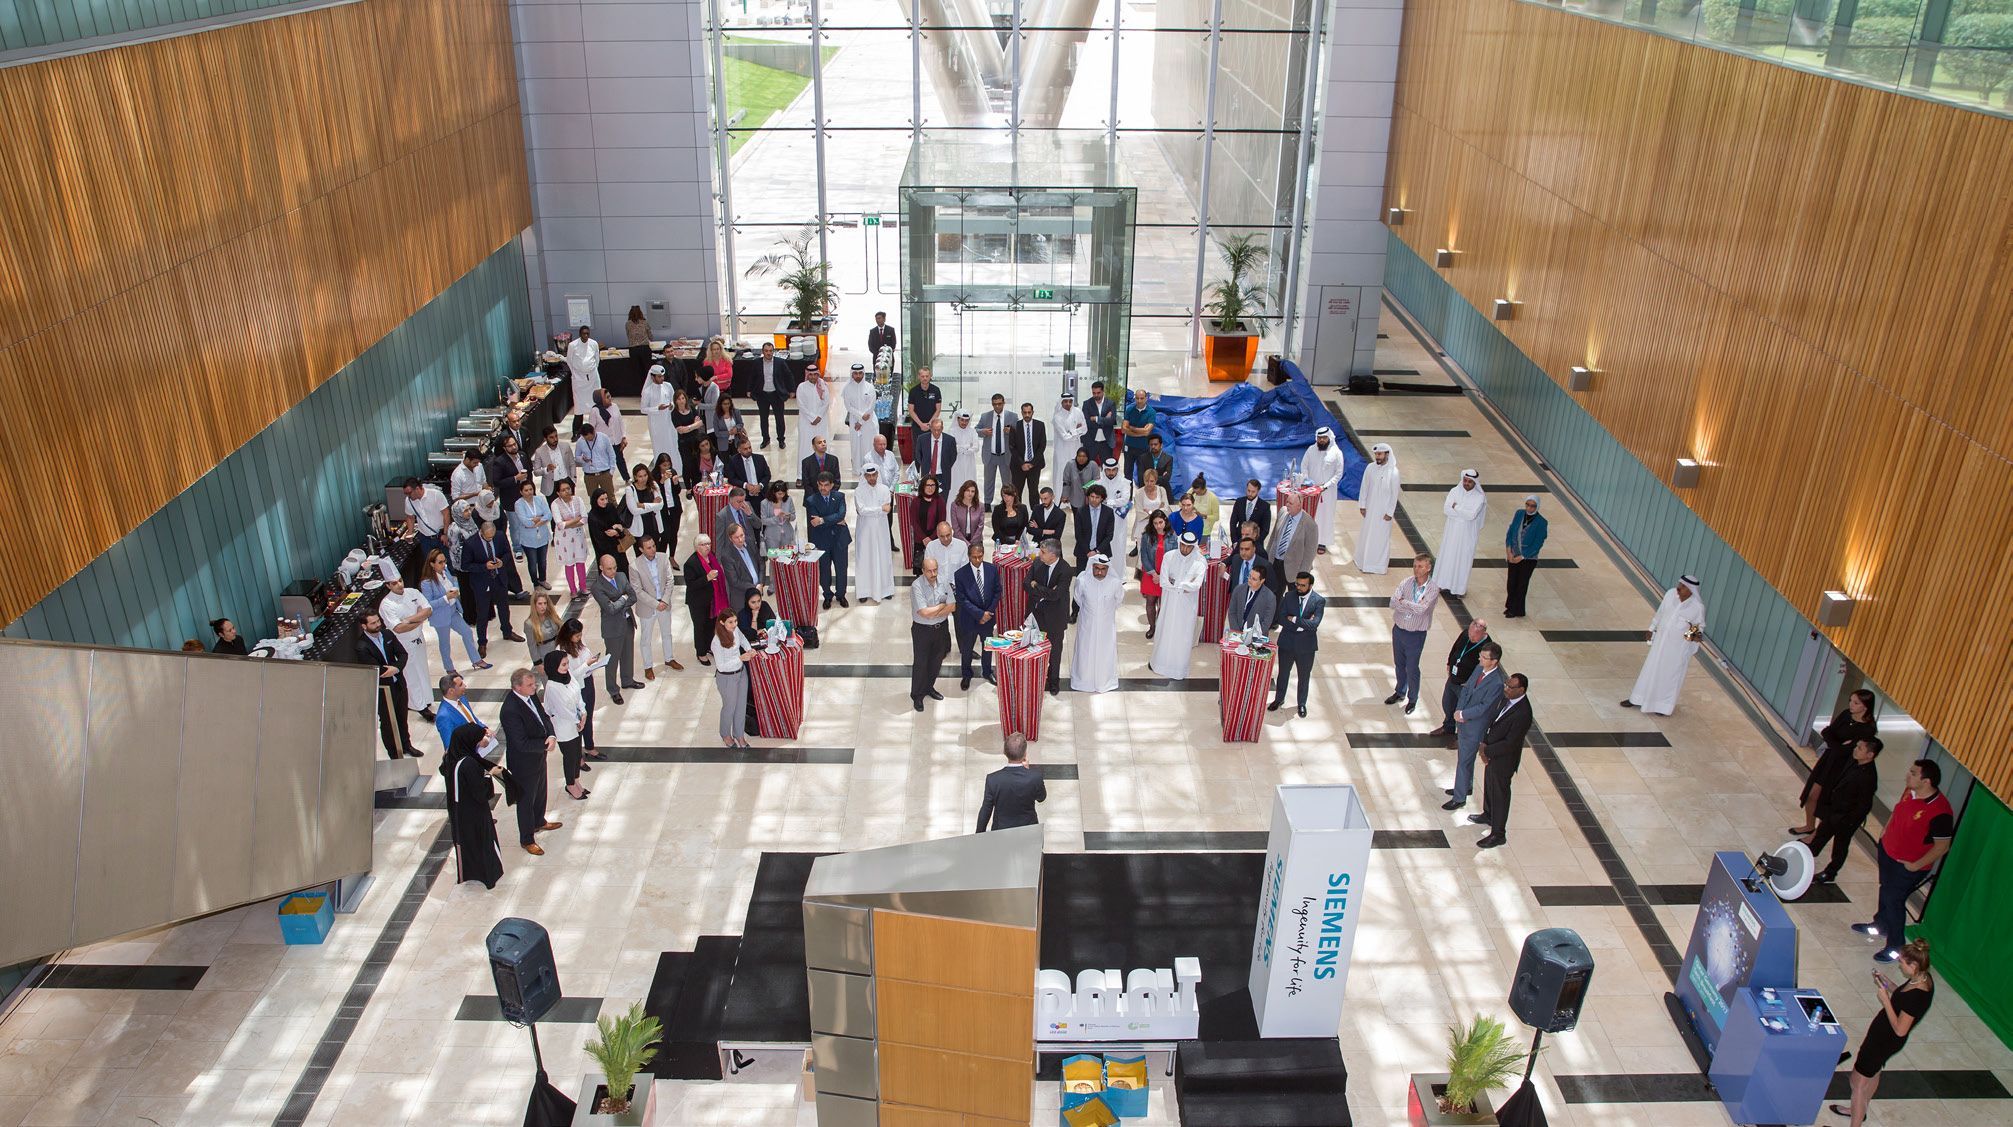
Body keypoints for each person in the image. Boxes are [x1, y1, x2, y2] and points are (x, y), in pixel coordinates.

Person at [1855, 759, 1954, 963]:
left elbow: (1942, 846)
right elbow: (1898, 811)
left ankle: (1896, 946)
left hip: (1908, 866)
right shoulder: (1910, 791)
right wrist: (1885, 833)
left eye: (1913, 773)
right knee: (1885, 889)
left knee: (1894, 899)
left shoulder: (1940, 811)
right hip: (1888, 853)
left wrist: (1915, 865)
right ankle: (1880, 924)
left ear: (1926, 781)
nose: (1907, 775)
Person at [1835, 939, 1935, 1126]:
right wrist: (1888, 984)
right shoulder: (1922, 978)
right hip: (1882, 1038)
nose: (1900, 965)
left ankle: (1856, 1119)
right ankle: (1859, 1109)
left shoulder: (1917, 995)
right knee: (1874, 1073)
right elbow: (1902, 999)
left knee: (1857, 1082)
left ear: (1913, 965)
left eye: (1902, 963)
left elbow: (1900, 1029)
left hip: (1883, 1041)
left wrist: (1885, 1000)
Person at [1794, 690, 1881, 836]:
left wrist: (1836, 744)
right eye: (1851, 700)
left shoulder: (1868, 729)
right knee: (1812, 795)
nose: (1851, 705)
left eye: (1856, 703)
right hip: (1829, 760)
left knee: (1828, 801)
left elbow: (1847, 751)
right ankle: (1809, 825)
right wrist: (1839, 744)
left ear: (1865, 706)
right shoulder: (1847, 714)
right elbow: (1827, 731)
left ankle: (1817, 835)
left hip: (1843, 767)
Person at [1801, 737, 1882, 884]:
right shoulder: (1853, 762)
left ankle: (1830, 872)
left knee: (1840, 846)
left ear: (1870, 755)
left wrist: (1848, 821)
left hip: (1846, 818)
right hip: (1834, 811)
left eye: (1860, 748)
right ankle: (1804, 858)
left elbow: (1864, 805)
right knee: (1820, 835)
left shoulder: (1868, 777)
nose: (1855, 749)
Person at [1622, 575, 1706, 715]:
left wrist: (1693, 635)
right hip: (1660, 643)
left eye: (1683, 587)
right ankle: (1637, 699)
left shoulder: (1697, 607)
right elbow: (1660, 613)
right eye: (1679, 584)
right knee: (1650, 670)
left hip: (1677, 649)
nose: (1679, 588)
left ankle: (1662, 707)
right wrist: (1651, 628)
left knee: (1668, 676)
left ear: (1691, 590)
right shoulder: (1670, 594)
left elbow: (1699, 627)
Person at [500, 667, 561, 855]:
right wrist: (544, 744)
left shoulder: (531, 695)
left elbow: (543, 716)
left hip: (538, 756)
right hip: (523, 763)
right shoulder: (510, 710)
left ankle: (539, 821)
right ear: (517, 687)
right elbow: (520, 743)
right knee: (526, 800)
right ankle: (527, 839)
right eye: (529, 685)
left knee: (541, 790)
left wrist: (550, 733)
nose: (534, 687)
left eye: (534, 683)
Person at [1471, 672, 1532, 847]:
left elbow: (1510, 743)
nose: (1506, 689)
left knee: (1500, 795)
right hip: (1492, 753)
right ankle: (1488, 814)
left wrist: (1486, 750)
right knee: (1489, 784)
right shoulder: (1507, 699)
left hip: (1503, 760)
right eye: (1506, 685)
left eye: (1510, 687)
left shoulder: (1523, 713)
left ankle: (1498, 834)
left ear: (1521, 690)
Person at [441, 723, 505, 889]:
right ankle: (488, 875)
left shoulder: (451, 755)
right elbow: (481, 792)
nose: (480, 742)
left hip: (458, 809)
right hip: (473, 810)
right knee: (482, 842)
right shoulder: (469, 764)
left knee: (467, 843)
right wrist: (489, 775)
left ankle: (470, 872)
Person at [1444, 643, 1505, 810]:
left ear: (1494, 661)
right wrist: (1459, 710)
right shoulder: (1479, 669)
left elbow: (1485, 707)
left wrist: (1464, 715)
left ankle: (1459, 797)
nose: (1480, 659)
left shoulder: (1497, 683)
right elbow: (1466, 690)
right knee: (1465, 758)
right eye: (1481, 655)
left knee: (1464, 761)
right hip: (1464, 720)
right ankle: (1466, 786)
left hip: (1475, 726)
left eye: (1484, 657)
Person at [355, 611, 415, 759]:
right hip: (383, 690)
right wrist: (393, 669)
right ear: (364, 626)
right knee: (388, 723)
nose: (377, 625)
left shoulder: (387, 635)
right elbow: (376, 670)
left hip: (398, 684)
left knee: (402, 716)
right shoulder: (362, 646)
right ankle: (394, 755)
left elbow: (402, 654)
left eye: (378, 621)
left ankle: (406, 745)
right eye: (373, 623)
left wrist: (396, 668)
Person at [377, 575, 437, 723]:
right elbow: (398, 628)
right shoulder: (386, 604)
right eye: (394, 583)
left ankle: (426, 699)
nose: (399, 584)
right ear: (388, 586)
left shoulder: (412, 592)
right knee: (411, 675)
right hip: (403, 643)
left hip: (418, 638)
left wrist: (410, 619)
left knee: (422, 669)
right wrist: (419, 617)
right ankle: (420, 706)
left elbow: (428, 610)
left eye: (400, 580)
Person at [1149, 533, 1208, 680]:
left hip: (1186, 608)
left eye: (1189, 546)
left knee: (1182, 637)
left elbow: (1195, 585)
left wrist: (1177, 583)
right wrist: (1183, 585)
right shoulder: (1169, 556)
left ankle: (1178, 669)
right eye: (1183, 545)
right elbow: (1163, 581)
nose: (1185, 549)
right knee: (1165, 631)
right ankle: (1158, 664)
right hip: (1169, 604)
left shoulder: (1200, 562)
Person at [1387, 554, 1441, 713]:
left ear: (1428, 568)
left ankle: (1413, 699)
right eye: (1415, 565)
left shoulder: (1432, 589)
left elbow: (1422, 610)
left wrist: (1403, 602)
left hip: (1415, 635)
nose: (1416, 569)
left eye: (1420, 566)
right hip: (1399, 630)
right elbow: (1392, 602)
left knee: (1412, 667)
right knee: (1399, 664)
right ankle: (1400, 691)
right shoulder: (1406, 582)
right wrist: (1408, 604)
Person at [1268, 572, 1326, 717]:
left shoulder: (1318, 601)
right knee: (1283, 674)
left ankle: (1301, 704)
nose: (1299, 587)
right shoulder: (1289, 596)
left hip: (1306, 647)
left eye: (1302, 585)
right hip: (1287, 643)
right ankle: (1279, 699)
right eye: (1297, 584)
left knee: (1304, 676)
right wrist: (1302, 624)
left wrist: (1294, 619)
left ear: (1310, 585)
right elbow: (1281, 618)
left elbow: (1314, 624)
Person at [1428, 619, 1493, 746]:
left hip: (1466, 685)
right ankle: (1448, 727)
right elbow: (1455, 648)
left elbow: (1483, 669)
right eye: (1470, 634)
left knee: (1462, 712)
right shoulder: (1466, 634)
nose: (1471, 638)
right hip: (1453, 677)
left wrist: (1471, 683)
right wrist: (1449, 662)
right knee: (1448, 703)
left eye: (1474, 636)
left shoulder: (1487, 648)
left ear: (1483, 634)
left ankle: (1461, 738)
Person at [422, 549, 488, 673]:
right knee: (445, 643)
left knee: (467, 632)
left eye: (444, 561)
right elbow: (428, 604)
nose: (443, 565)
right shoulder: (427, 583)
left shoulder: (445, 572)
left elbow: (453, 582)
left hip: (453, 611)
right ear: (432, 564)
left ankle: (476, 660)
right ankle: (449, 668)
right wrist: (446, 598)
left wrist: (455, 591)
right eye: (440, 562)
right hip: (440, 616)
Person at [590, 555, 642, 703]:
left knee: (628, 653)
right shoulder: (597, 587)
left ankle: (627, 680)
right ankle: (613, 689)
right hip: (612, 628)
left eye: (614, 567)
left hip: (627, 622)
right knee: (612, 660)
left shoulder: (621, 576)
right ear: (601, 568)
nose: (613, 571)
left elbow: (633, 596)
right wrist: (623, 599)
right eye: (609, 569)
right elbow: (610, 609)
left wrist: (620, 602)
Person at [540, 651, 591, 802]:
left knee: (577, 754)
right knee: (570, 757)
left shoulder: (569, 677)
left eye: (567, 663)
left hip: (577, 723)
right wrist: (578, 721)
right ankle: (570, 784)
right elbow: (562, 710)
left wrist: (583, 712)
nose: (566, 667)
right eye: (563, 664)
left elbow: (578, 695)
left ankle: (576, 780)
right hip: (564, 727)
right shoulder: (552, 686)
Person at [1070, 554, 1125, 693]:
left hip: (1106, 626)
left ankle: (1104, 681)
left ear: (1108, 569)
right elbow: (1078, 598)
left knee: (1105, 652)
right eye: (1097, 568)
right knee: (1085, 651)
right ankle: (1083, 681)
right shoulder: (1082, 581)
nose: (1100, 572)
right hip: (1087, 624)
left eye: (1103, 569)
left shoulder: (1115, 583)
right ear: (1092, 567)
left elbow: (1118, 600)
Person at [1025, 540, 1073, 695]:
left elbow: (1055, 595)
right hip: (1036, 614)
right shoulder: (1038, 562)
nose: (1039, 554)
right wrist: (1042, 589)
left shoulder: (1065, 570)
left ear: (1053, 555)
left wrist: (1036, 586)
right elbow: (1026, 584)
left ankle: (1053, 681)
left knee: (1054, 652)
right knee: (1034, 647)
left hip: (1055, 618)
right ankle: (1035, 679)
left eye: (1043, 552)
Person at [909, 556, 956, 711]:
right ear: (923, 571)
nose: (933, 573)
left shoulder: (943, 581)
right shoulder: (917, 586)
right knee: (921, 663)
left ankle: (929, 687)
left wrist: (935, 611)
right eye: (929, 571)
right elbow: (924, 613)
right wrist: (941, 607)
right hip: (922, 630)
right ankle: (917, 695)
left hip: (941, 628)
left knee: (936, 662)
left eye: (935, 570)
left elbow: (953, 607)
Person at [632, 534, 683, 678]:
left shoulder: (663, 557)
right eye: (649, 548)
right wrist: (656, 604)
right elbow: (638, 590)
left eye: (653, 546)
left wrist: (665, 601)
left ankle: (669, 658)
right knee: (646, 638)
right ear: (641, 549)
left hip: (664, 604)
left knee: (667, 633)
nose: (653, 549)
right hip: (648, 607)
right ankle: (648, 666)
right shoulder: (634, 565)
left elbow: (670, 580)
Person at [952, 541, 1001, 689]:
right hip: (969, 619)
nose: (978, 560)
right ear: (968, 557)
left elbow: (997, 591)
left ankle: (987, 671)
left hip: (988, 618)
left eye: (980, 556)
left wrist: (988, 613)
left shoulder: (992, 569)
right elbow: (962, 599)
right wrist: (980, 614)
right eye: (974, 557)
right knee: (967, 650)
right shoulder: (960, 574)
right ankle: (966, 674)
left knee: (987, 648)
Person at [1433, 471, 1488, 595]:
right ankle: (1441, 584)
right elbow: (1446, 509)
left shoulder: (1480, 497)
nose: (1466, 483)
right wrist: (1461, 512)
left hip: (1467, 535)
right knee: (1448, 556)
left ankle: (1458, 589)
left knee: (1463, 560)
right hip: (1451, 532)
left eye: (1470, 482)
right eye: (1465, 480)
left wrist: (1456, 507)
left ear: (1475, 483)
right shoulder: (1454, 491)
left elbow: (1471, 515)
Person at [977, 734, 1046, 831]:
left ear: (1004, 752)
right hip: (1028, 830)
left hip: (1001, 831)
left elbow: (986, 810)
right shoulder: (1035, 777)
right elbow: (1041, 798)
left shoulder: (993, 780)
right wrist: (1027, 770)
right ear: (1025, 753)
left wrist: (979, 835)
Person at [555, 620, 602, 762]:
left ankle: (589, 746)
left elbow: (586, 655)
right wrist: (586, 665)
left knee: (589, 716)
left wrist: (592, 662)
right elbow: (569, 675)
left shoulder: (579, 642)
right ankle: (578, 755)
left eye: (580, 635)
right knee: (580, 719)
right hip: (576, 687)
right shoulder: (561, 650)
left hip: (588, 682)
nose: (579, 638)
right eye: (577, 636)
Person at [1354, 442, 1401, 574]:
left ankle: (1377, 566)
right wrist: (1362, 505)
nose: (1377, 457)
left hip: (1383, 514)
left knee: (1380, 538)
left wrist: (1390, 512)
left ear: (1387, 454)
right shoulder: (1370, 468)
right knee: (1366, 534)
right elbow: (1364, 487)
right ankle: (1362, 561)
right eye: (1376, 454)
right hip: (1370, 509)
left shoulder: (1394, 473)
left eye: (1380, 454)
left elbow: (1394, 495)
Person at [806, 473, 851, 608]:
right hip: (821, 540)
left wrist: (822, 519)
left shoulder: (839, 496)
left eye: (826, 485)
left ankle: (841, 594)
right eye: (820, 485)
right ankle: (827, 595)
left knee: (842, 569)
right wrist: (835, 520)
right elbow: (814, 522)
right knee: (824, 570)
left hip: (839, 539)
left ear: (832, 485)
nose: (823, 488)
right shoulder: (811, 500)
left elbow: (841, 514)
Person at [1299, 427, 1347, 554]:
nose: (1321, 440)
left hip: (1327, 491)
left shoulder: (1337, 453)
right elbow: (1304, 466)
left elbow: (1338, 474)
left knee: (1325, 516)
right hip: (1311, 490)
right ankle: (1308, 540)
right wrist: (1307, 481)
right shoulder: (1311, 450)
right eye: (1319, 438)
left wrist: (1325, 486)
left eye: (1324, 438)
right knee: (1310, 515)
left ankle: (1322, 542)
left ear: (1329, 438)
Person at [853, 465, 896, 603]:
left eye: (874, 475)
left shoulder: (884, 490)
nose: (871, 478)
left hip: (881, 530)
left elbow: (887, 509)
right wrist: (879, 509)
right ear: (864, 476)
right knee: (865, 558)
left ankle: (886, 589)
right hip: (865, 531)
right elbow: (861, 510)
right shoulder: (858, 491)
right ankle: (864, 591)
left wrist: (874, 510)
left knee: (883, 557)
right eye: (868, 476)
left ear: (878, 474)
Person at [712, 613, 755, 748]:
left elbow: (742, 639)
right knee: (729, 707)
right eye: (730, 622)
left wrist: (749, 648)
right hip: (726, 678)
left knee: (741, 706)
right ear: (722, 623)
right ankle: (725, 734)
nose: (734, 624)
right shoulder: (716, 642)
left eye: (735, 621)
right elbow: (721, 666)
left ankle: (739, 735)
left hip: (741, 674)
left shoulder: (735, 630)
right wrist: (740, 659)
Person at [684, 535, 727, 665]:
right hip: (698, 602)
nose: (707, 546)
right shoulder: (691, 563)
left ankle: (709, 646)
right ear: (697, 547)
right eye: (703, 544)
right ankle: (701, 653)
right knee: (700, 627)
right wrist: (707, 578)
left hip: (712, 599)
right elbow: (691, 585)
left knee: (711, 624)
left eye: (708, 543)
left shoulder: (711, 556)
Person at [1502, 495, 1548, 617]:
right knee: (1511, 582)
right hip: (1513, 554)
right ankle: (1510, 606)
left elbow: (1538, 544)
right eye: (1527, 504)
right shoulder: (1519, 514)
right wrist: (1509, 551)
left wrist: (1522, 556)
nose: (1529, 508)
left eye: (1532, 506)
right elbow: (1510, 532)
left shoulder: (1542, 522)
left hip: (1528, 559)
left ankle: (1517, 610)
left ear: (1537, 507)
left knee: (1521, 584)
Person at [399, 477, 451, 582]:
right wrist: (410, 533)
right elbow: (410, 517)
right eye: (406, 494)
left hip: (440, 535)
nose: (408, 496)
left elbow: (446, 514)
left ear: (417, 488)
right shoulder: (409, 501)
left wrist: (445, 533)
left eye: (409, 493)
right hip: (425, 538)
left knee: (446, 563)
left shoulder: (435, 495)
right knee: (430, 566)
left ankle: (450, 584)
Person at [510, 479, 554, 590]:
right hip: (528, 539)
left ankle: (543, 580)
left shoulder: (539, 499)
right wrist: (540, 519)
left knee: (543, 562)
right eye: (526, 490)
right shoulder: (519, 504)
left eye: (531, 489)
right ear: (521, 492)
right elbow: (525, 522)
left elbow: (548, 515)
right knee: (532, 563)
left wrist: (536, 520)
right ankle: (535, 583)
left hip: (542, 536)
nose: (529, 492)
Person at [549, 479, 591, 595]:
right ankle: (573, 590)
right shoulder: (555, 504)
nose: (567, 492)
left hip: (578, 536)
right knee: (569, 564)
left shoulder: (578, 500)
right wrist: (576, 519)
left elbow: (585, 519)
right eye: (563, 490)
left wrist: (570, 523)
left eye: (568, 489)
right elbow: (560, 524)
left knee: (580, 561)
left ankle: (583, 586)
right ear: (558, 493)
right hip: (564, 539)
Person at [1270, 491, 1318, 589]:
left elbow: (1310, 554)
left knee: (1294, 600)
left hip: (1294, 570)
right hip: (1276, 564)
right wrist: (1268, 559)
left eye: (1290, 503)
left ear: (1299, 506)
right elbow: (1273, 538)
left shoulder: (1310, 525)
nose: (1287, 505)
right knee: (1275, 597)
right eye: (1287, 502)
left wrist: (1303, 575)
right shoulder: (1283, 512)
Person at [1138, 509, 1174, 639]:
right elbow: (1144, 556)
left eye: (1160, 522)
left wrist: (1162, 576)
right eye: (1155, 523)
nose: (1158, 526)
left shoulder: (1172, 536)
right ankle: (1152, 627)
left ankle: (1161, 626)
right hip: (1150, 575)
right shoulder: (1146, 536)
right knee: (1150, 602)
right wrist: (1154, 574)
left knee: (1163, 604)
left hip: (1165, 576)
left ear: (1165, 521)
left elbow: (1174, 557)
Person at [718, 523, 766, 619]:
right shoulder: (727, 555)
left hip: (757, 592)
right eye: (736, 537)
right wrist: (755, 587)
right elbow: (734, 581)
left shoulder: (750, 542)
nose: (740, 540)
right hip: (741, 599)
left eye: (742, 535)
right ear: (730, 539)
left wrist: (760, 583)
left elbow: (761, 563)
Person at [751, 341, 793, 449]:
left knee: (779, 418)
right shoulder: (757, 363)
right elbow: (752, 377)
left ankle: (781, 439)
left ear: (773, 351)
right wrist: (748, 389)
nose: (768, 353)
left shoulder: (780, 362)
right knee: (763, 419)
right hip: (762, 395)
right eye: (766, 351)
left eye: (770, 351)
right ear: (763, 352)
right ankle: (765, 439)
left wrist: (791, 390)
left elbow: (788, 376)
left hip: (776, 394)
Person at [977, 393, 1015, 505]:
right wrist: (983, 432)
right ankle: (987, 503)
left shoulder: (1012, 416)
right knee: (988, 481)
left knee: (1007, 483)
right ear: (992, 404)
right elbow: (976, 429)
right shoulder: (985, 416)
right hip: (990, 455)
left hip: (1006, 456)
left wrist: (1011, 431)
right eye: (995, 404)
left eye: (999, 404)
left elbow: (1019, 432)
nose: (997, 407)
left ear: (1004, 403)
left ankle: (1007, 503)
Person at [841, 363, 877, 475]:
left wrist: (861, 421)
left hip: (869, 421)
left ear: (863, 373)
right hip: (854, 421)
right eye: (855, 373)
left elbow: (871, 406)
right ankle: (857, 469)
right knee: (856, 446)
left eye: (860, 373)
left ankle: (871, 469)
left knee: (868, 445)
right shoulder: (847, 388)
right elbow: (848, 406)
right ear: (852, 374)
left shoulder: (869, 387)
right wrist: (860, 418)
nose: (858, 375)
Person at [564, 325, 602, 431]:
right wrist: (576, 374)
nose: (586, 336)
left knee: (596, 401)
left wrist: (591, 370)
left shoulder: (594, 344)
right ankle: (576, 431)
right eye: (583, 334)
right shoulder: (572, 345)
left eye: (587, 334)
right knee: (579, 406)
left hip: (593, 377)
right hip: (579, 379)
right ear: (580, 334)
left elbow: (597, 359)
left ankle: (597, 427)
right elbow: (569, 361)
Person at [1008, 401, 1047, 503]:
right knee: (1016, 492)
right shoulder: (1015, 426)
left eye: (1029, 412)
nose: (1027, 415)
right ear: (1021, 413)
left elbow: (1042, 446)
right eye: (1025, 412)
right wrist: (1022, 464)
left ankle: (1035, 516)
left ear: (1032, 412)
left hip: (1034, 465)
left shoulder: (1040, 425)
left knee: (1034, 492)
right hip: (1018, 466)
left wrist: (1032, 463)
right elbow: (1012, 447)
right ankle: (1017, 515)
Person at [586, 487, 630, 575]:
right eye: (602, 499)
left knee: (623, 572)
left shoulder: (610, 507)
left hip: (618, 549)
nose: (605, 501)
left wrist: (616, 532)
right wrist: (616, 531)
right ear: (595, 500)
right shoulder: (592, 516)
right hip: (604, 551)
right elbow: (598, 538)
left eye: (606, 498)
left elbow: (620, 523)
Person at [1073, 484, 1117, 571]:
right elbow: (1078, 534)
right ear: (1088, 497)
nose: (1093, 499)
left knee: (1101, 579)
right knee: (1081, 579)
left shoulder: (1108, 512)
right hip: (1083, 552)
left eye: (1097, 497)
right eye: (1092, 496)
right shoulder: (1081, 512)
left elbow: (1109, 535)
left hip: (1102, 551)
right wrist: (1088, 551)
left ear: (1102, 498)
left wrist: (1096, 551)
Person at [587, 388, 629, 480]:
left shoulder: (615, 406)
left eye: (610, 396)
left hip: (616, 440)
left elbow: (620, 422)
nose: (610, 399)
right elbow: (591, 429)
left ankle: (627, 478)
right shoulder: (595, 411)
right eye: (607, 397)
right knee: (606, 464)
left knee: (620, 460)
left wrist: (623, 437)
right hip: (603, 444)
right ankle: (606, 482)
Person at [909, 475, 947, 573]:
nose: (930, 488)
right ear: (922, 486)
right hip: (920, 539)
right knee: (921, 567)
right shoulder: (916, 501)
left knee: (935, 568)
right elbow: (914, 521)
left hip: (936, 539)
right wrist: (924, 538)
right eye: (927, 485)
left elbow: (941, 521)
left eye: (932, 485)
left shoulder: (940, 501)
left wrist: (931, 538)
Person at [1226, 562, 1276, 636]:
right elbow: (1232, 612)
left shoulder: (1270, 597)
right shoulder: (1238, 589)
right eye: (1249, 576)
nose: (1249, 580)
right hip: (1236, 633)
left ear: (1262, 581)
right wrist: (1236, 631)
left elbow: (1267, 622)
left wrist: (1253, 636)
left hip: (1257, 637)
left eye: (1254, 579)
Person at [641, 362, 678, 460]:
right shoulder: (647, 391)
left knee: (672, 442)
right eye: (659, 376)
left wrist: (671, 405)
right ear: (653, 377)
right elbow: (643, 409)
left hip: (668, 421)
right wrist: (657, 408)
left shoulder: (668, 386)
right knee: (659, 445)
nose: (662, 378)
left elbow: (673, 400)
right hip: (656, 424)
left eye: (662, 376)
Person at [434, 673, 481, 748]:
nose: (465, 686)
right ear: (451, 691)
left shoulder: (462, 698)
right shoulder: (444, 717)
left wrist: (485, 729)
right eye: (461, 685)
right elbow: (451, 747)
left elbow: (472, 719)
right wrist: (477, 743)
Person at [575, 423, 618, 502]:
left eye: (591, 438)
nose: (590, 440)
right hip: (590, 476)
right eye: (587, 439)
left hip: (604, 473)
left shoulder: (603, 438)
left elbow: (612, 454)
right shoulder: (580, 442)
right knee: (594, 499)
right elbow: (577, 457)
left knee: (610, 498)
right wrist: (582, 459)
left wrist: (611, 471)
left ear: (594, 431)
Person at [671, 387, 707, 480]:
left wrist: (688, 427)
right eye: (679, 399)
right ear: (676, 401)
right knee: (687, 464)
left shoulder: (691, 408)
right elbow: (680, 430)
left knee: (696, 462)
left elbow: (700, 422)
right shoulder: (674, 413)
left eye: (683, 398)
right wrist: (693, 425)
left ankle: (697, 482)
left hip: (695, 440)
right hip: (684, 442)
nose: (681, 401)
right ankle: (688, 487)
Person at [524, 592, 564, 676]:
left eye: (545, 603)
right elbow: (532, 646)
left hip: (558, 651)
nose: (543, 606)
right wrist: (538, 663)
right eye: (540, 604)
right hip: (544, 656)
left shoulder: (552, 616)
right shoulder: (529, 624)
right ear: (534, 605)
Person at [1121, 387, 1156, 482]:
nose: (1139, 401)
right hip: (1129, 447)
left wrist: (1131, 428)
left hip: (1143, 448)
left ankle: (1141, 495)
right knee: (1127, 473)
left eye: (1141, 398)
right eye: (1137, 398)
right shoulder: (1129, 409)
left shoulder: (1151, 412)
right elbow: (1124, 429)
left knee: (1142, 474)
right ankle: (1128, 495)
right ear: (1134, 398)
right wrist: (1140, 432)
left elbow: (1147, 432)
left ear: (1146, 398)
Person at [1128, 466, 1169, 545]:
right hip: (1142, 528)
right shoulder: (1139, 493)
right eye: (1146, 481)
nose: (1149, 484)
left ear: (1156, 481)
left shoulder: (1162, 490)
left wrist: (1149, 512)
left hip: (1159, 527)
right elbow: (1140, 513)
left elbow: (1165, 510)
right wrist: (1157, 511)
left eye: (1152, 481)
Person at [531, 425, 576, 497]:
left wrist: (573, 479)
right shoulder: (539, 451)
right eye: (551, 437)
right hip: (551, 486)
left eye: (556, 436)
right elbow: (536, 472)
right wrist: (547, 469)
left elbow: (572, 463)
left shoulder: (565, 446)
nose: (555, 439)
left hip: (567, 481)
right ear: (545, 438)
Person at [715, 488, 761, 557]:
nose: (742, 504)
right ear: (730, 500)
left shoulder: (747, 506)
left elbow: (758, 525)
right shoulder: (722, 516)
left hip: (751, 548)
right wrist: (719, 562)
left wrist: (750, 514)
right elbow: (719, 541)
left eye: (743, 500)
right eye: (739, 502)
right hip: (734, 553)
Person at [796, 363, 831, 452]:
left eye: (815, 374)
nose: (813, 377)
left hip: (821, 420)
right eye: (810, 375)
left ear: (818, 374)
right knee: (806, 446)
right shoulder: (801, 387)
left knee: (822, 443)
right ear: (807, 375)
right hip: (806, 422)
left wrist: (819, 416)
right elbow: (801, 405)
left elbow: (826, 403)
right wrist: (812, 417)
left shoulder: (823, 385)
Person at [725, 435, 771, 503]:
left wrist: (760, 485)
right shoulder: (733, 461)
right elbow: (731, 479)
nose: (749, 450)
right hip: (744, 496)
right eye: (745, 449)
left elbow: (767, 475)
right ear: (739, 450)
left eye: (750, 448)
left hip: (761, 494)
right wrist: (745, 485)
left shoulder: (760, 459)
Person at [1081, 381, 1118, 464]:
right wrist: (1105, 419)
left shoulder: (1110, 404)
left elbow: (1112, 421)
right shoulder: (1087, 404)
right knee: (1088, 468)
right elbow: (1086, 423)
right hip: (1090, 442)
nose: (1096, 395)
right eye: (1094, 393)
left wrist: (1096, 419)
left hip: (1106, 442)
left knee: (1107, 468)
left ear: (1103, 391)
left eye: (1098, 393)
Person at [913, 417, 957, 482]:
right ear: (930, 428)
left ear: (942, 428)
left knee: (944, 492)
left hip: (943, 474)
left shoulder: (950, 440)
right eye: (934, 430)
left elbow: (953, 456)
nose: (936, 432)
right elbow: (918, 454)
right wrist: (924, 464)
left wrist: (946, 466)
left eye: (939, 430)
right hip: (927, 473)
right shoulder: (922, 439)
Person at [1230, 478, 1271, 547]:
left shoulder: (1265, 506)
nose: (1250, 494)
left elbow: (1265, 529)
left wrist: (1255, 544)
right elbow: (1233, 523)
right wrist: (1234, 541)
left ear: (1258, 491)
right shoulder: (1239, 502)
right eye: (1248, 491)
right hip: (1239, 542)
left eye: (1253, 491)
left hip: (1256, 544)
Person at [947, 409, 981, 492]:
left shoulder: (972, 431)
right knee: (956, 483)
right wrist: (967, 447)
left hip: (969, 462)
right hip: (956, 462)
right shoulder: (952, 431)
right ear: (958, 419)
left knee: (969, 482)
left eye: (966, 420)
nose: (964, 423)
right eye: (962, 420)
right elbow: (951, 447)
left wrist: (965, 449)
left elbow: (976, 447)